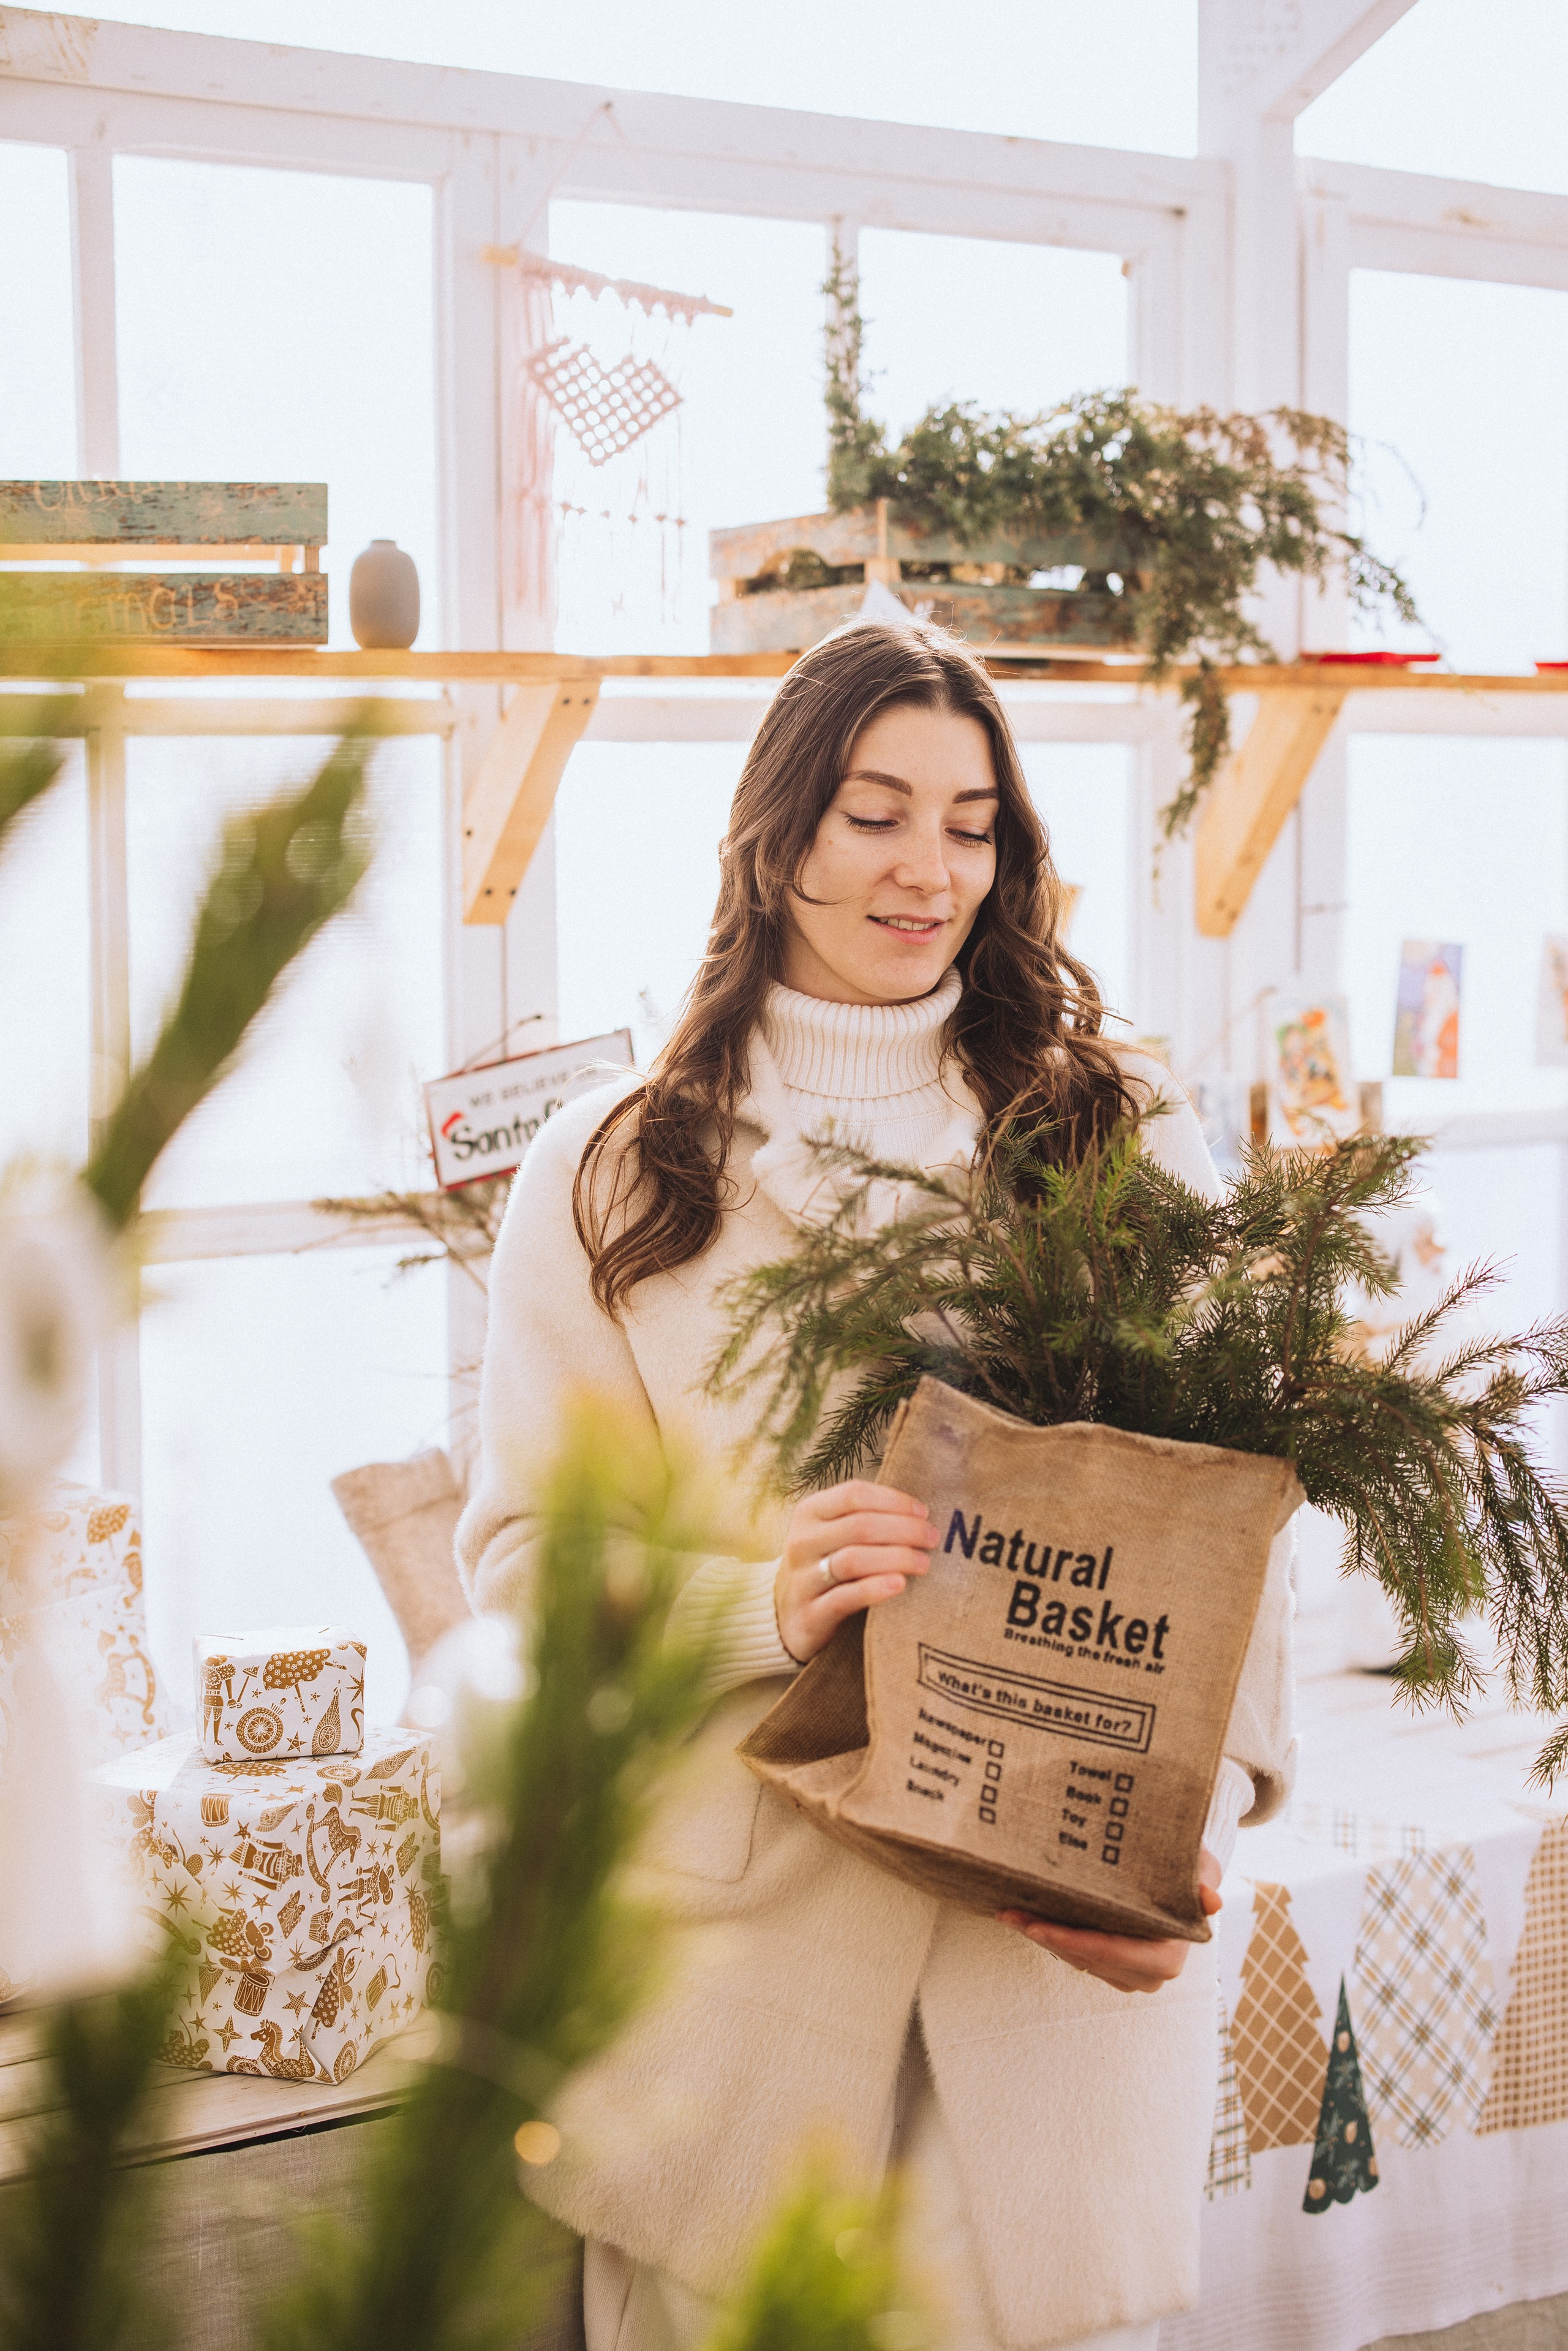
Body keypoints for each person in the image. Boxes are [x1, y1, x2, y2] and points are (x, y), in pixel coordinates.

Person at [456, 621, 1296, 2351]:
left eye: (975, 823)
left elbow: (1244, 1519)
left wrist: (1185, 1845)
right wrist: (753, 1597)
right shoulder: (610, 1173)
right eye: (875, 813)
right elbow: (528, 1561)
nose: (931, 870)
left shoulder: (1116, 1135)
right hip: (729, 1996)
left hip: (1041, 1959)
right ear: (778, 836)